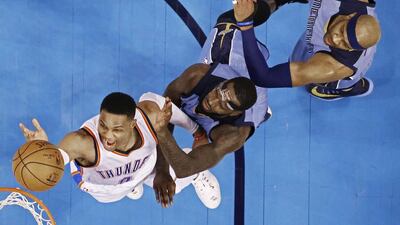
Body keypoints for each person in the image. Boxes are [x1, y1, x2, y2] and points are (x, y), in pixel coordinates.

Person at [157, 0, 308, 178]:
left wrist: (162, 135)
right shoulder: (197, 75)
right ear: (221, 83)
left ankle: (259, 114)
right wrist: (161, 166)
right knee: (240, 15)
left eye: (224, 105)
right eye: (218, 92)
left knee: (205, 150)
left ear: (233, 115)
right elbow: (168, 100)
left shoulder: (234, 133)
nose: (212, 101)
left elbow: (185, 168)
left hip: (251, 100)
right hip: (234, 41)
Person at [19, 92, 221, 209]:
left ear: (133, 124)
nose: (107, 135)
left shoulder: (151, 113)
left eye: (117, 130)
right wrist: (44, 149)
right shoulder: (82, 142)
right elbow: (54, 160)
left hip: (146, 170)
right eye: (103, 125)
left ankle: (197, 175)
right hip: (105, 188)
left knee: (180, 170)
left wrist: (163, 170)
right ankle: (130, 187)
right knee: (118, 194)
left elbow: (195, 130)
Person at [235, 0, 381, 100]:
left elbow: (263, 77)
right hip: (314, 42)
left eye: (345, 45)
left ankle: (347, 88)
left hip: (329, 67)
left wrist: (245, 24)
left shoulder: (335, 66)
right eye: (341, 32)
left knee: (307, 74)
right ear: (350, 15)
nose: (336, 40)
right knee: (296, 59)